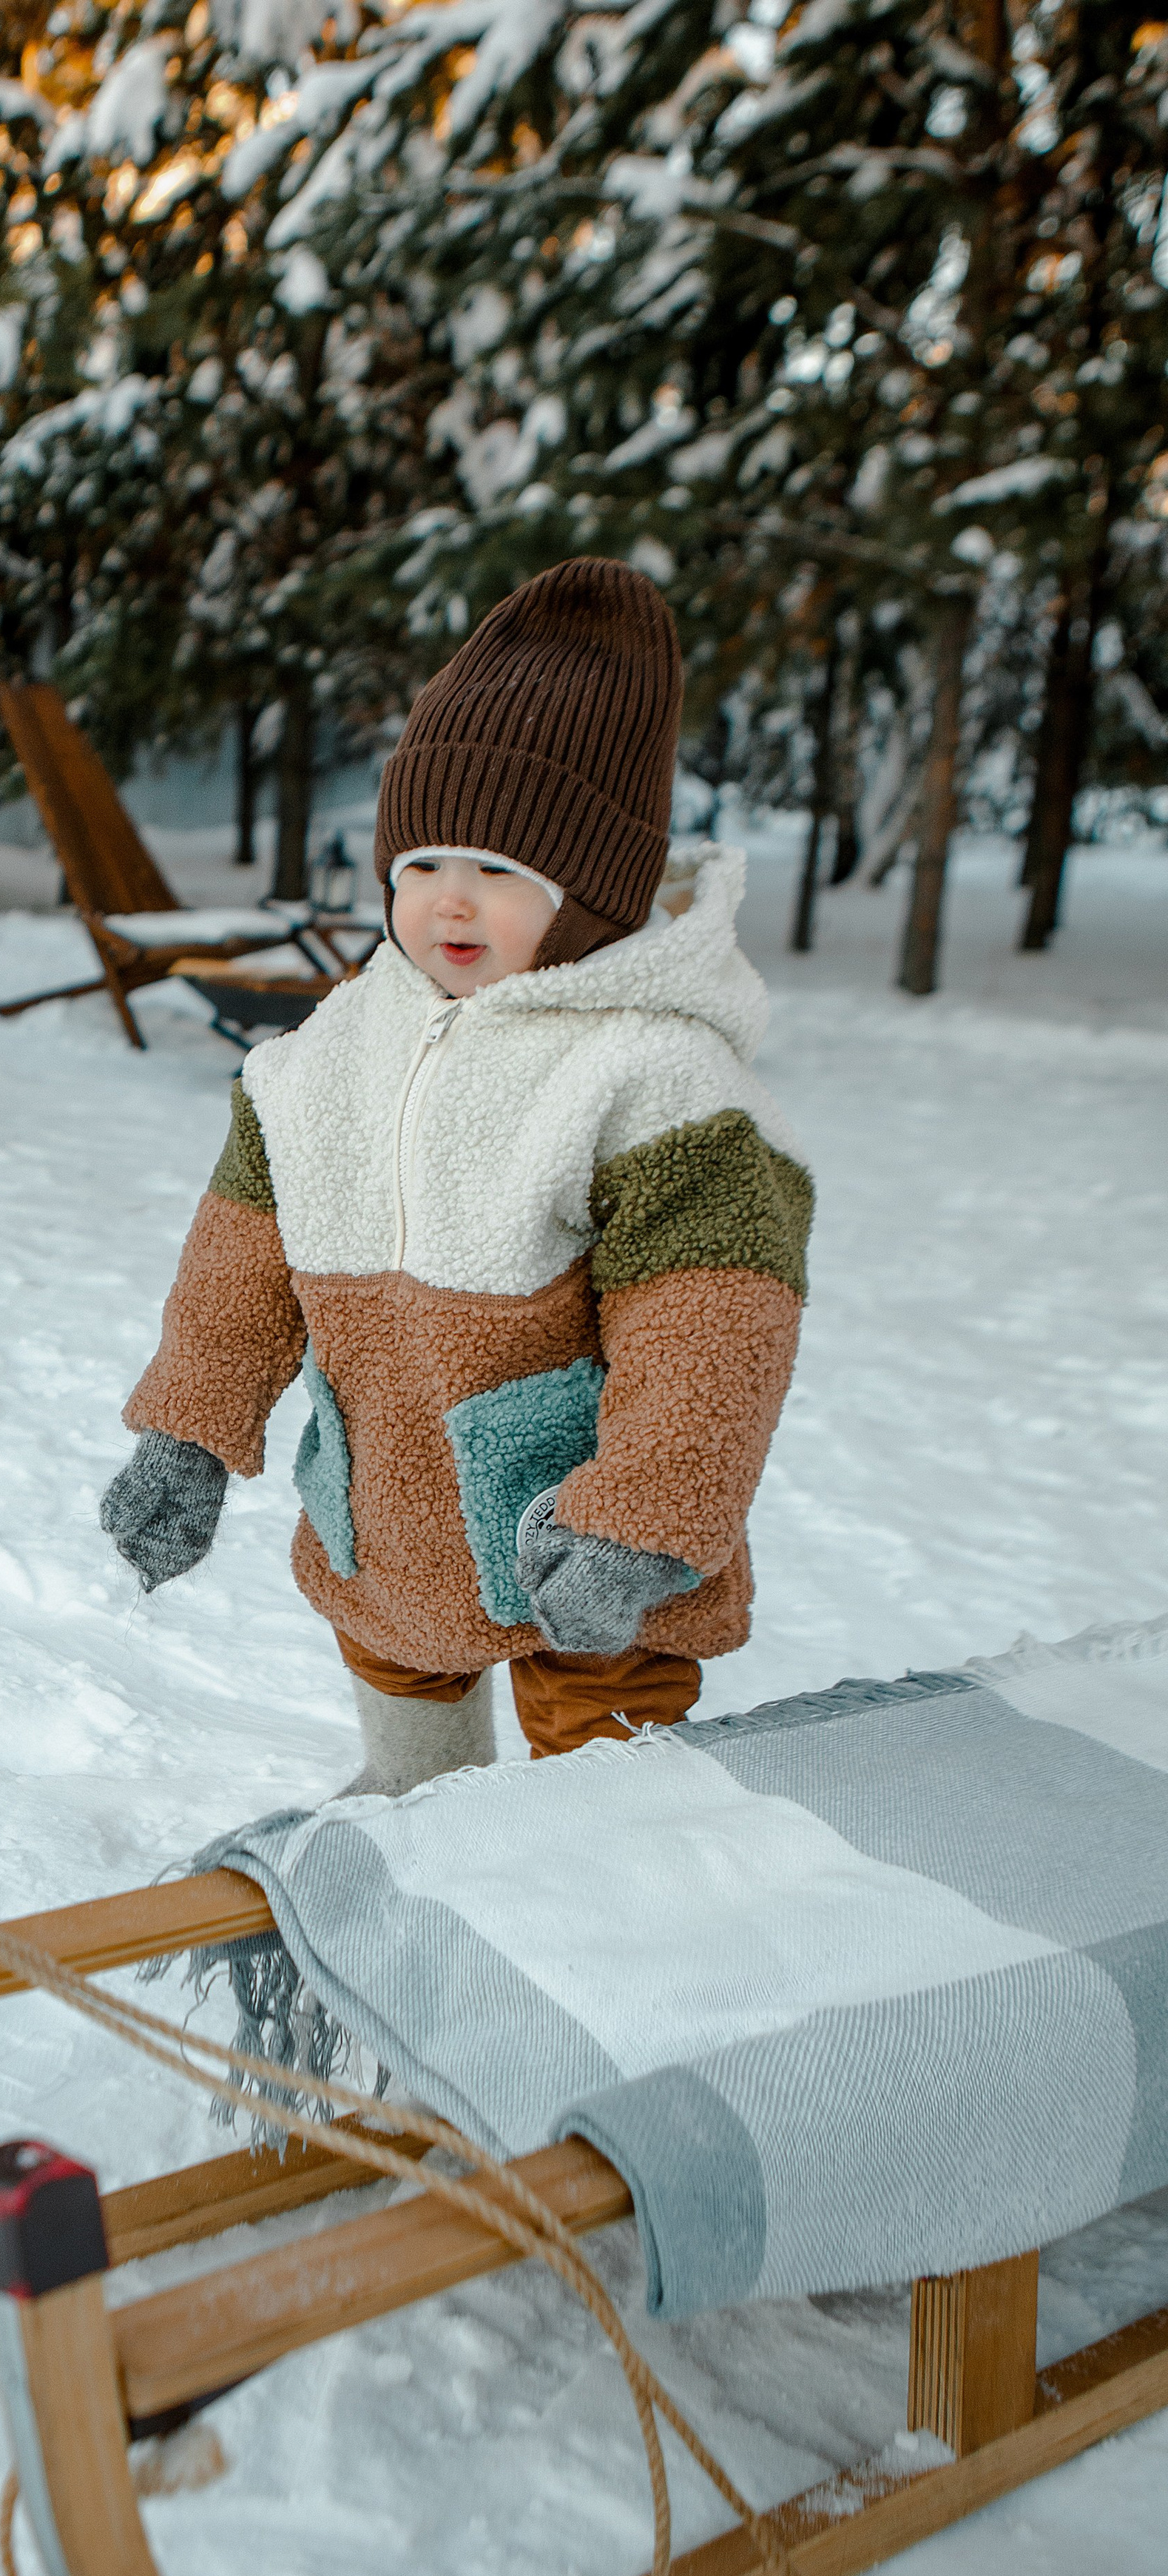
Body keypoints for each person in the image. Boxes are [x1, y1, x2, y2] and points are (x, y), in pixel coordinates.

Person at [100, 557, 813, 1795]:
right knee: (396, 1661)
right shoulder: (323, 1056)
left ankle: (616, 1885)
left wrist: (645, 1510)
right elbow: (239, 1264)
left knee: (605, 1745)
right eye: (421, 863)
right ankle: (417, 1832)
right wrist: (190, 1429)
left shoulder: (653, 1074)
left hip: (582, 1537)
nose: (450, 900)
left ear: (589, 893)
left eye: (502, 872)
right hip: (392, 1497)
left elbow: (713, 1322)